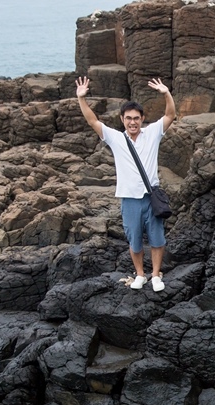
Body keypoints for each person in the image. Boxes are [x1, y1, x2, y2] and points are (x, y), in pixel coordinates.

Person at [75, 75, 176, 292]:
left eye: (136, 118)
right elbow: (93, 121)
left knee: (157, 238)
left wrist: (166, 93)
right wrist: (81, 99)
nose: (132, 122)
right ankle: (140, 274)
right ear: (122, 119)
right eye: (128, 118)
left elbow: (170, 114)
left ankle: (156, 275)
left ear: (142, 118)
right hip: (129, 198)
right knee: (134, 240)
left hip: (151, 197)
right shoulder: (115, 138)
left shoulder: (152, 134)